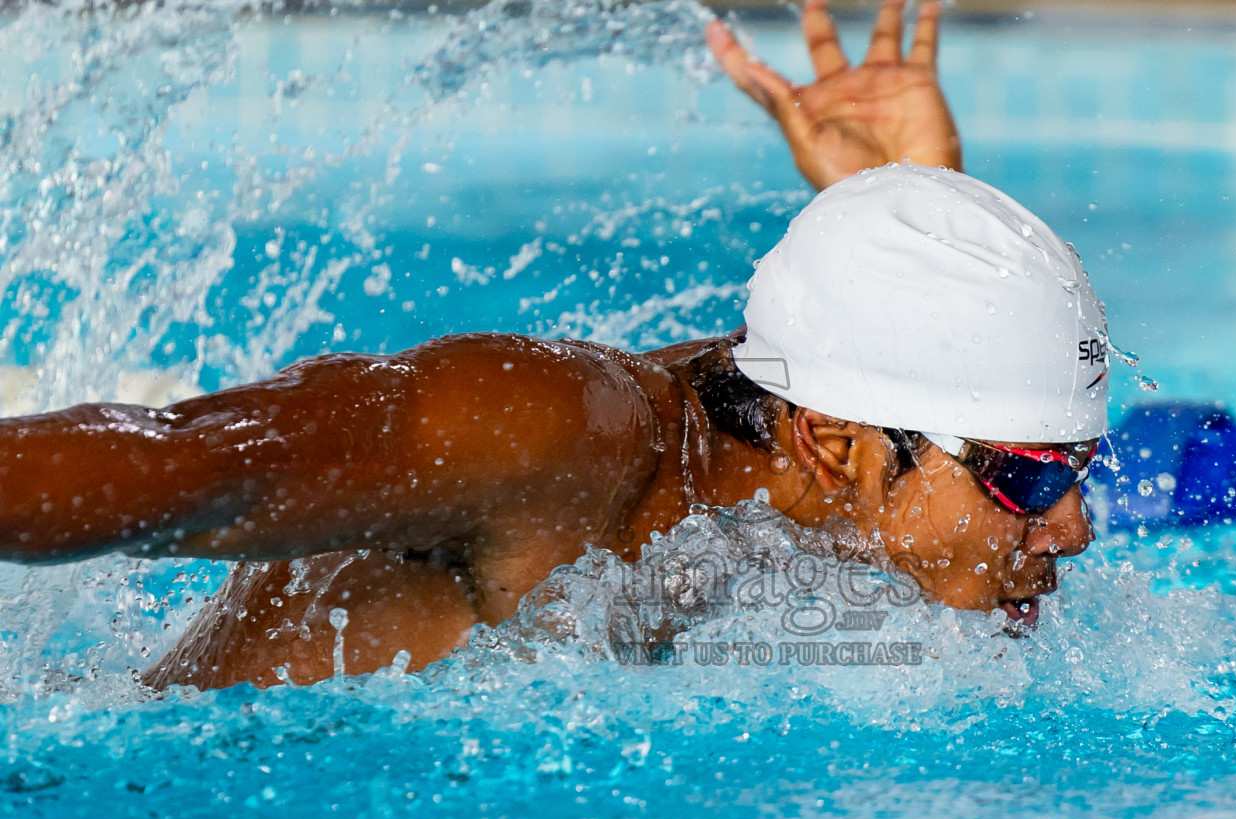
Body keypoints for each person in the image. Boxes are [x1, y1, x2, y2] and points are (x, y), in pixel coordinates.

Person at [0, 0, 1105, 690]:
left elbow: (897, 367)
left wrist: (908, 207)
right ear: (833, 445)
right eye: (1027, 477)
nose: (1079, 526)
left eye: (1076, 470)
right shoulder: (544, 431)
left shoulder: (803, 440)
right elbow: (185, 463)